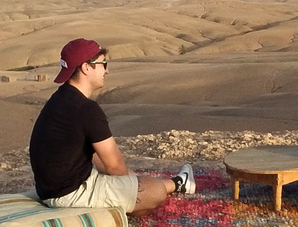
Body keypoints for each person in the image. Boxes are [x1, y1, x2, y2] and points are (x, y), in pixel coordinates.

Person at [29, 38, 195, 216]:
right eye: (103, 64)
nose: (107, 71)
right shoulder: (86, 109)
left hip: (50, 189)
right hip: (70, 194)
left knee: (122, 174)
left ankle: (173, 183)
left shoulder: (60, 99)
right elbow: (115, 166)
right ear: (86, 67)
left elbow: (92, 156)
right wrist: (132, 189)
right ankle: (178, 183)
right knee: (154, 192)